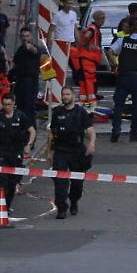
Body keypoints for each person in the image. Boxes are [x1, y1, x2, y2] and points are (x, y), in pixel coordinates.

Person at [46, 86, 95, 219]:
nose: (65, 97)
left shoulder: (81, 112)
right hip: (61, 150)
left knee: (77, 183)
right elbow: (51, 134)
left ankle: (74, 201)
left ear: (73, 96)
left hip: (77, 151)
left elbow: (90, 129)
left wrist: (91, 143)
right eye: (63, 95)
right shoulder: (57, 112)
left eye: (68, 94)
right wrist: (49, 152)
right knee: (60, 181)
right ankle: (61, 208)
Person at [0, 94, 35, 209]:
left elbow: (32, 131)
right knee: (2, 180)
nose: (6, 107)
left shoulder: (20, 116)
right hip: (1, 152)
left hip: (16, 152)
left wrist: (29, 145)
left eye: (9, 104)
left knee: (12, 181)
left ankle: (7, 205)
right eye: (4, 104)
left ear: (13, 103)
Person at [11, 26, 47, 126]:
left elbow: (35, 51)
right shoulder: (20, 50)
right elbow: (15, 63)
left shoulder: (34, 48)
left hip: (30, 83)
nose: (25, 38)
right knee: (20, 108)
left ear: (31, 37)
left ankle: (31, 131)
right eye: (23, 36)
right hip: (20, 82)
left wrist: (30, 48)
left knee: (29, 109)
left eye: (27, 36)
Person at [72, 11, 103, 109]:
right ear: (97, 19)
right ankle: (91, 104)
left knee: (84, 82)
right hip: (88, 59)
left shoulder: (93, 28)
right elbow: (86, 36)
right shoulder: (93, 28)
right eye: (102, 18)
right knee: (89, 81)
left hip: (87, 59)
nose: (103, 20)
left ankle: (83, 102)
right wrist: (87, 44)